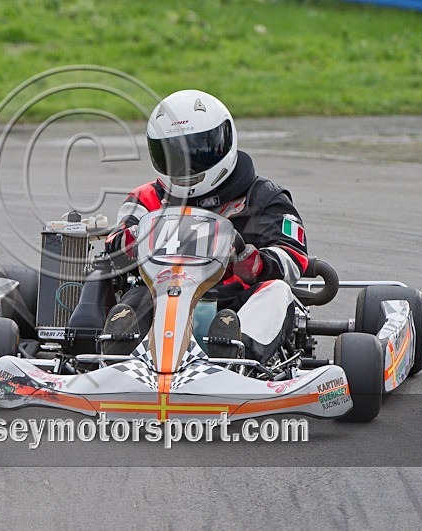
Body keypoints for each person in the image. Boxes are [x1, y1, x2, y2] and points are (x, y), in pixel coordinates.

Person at [102, 89, 308, 363]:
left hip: (235, 301)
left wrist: (255, 261)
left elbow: (293, 256)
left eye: (197, 150)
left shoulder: (263, 196)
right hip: (162, 297)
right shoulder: (147, 198)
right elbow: (116, 239)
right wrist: (128, 240)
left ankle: (234, 355)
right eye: (174, 153)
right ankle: (119, 357)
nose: (186, 165)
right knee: (134, 295)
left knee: (276, 292)